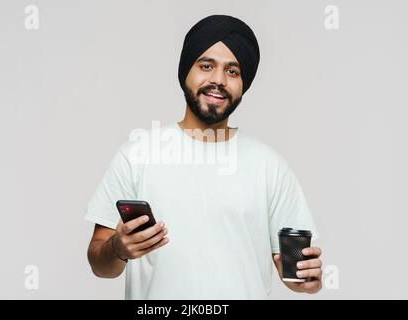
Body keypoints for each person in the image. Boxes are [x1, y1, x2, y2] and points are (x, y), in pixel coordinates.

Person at [85, 14, 323, 299]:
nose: (218, 80)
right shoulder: (137, 153)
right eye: (206, 65)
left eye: (232, 71)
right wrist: (117, 249)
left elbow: (299, 270)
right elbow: (100, 263)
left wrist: (306, 279)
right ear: (186, 71)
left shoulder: (270, 167)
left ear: (243, 84)